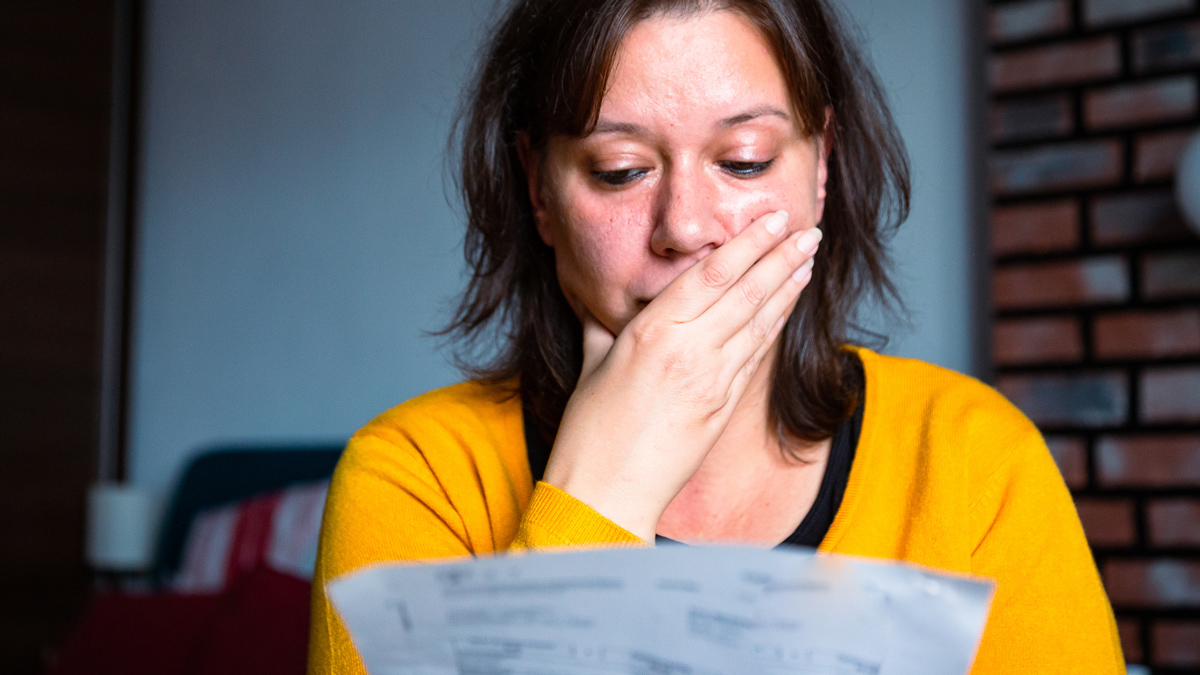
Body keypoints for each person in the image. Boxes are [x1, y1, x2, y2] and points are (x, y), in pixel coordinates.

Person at [309, 1, 1124, 673]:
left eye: (743, 160)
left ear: (820, 167)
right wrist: (602, 492)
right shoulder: (415, 479)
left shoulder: (975, 462)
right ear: (539, 188)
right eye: (620, 169)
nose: (686, 228)